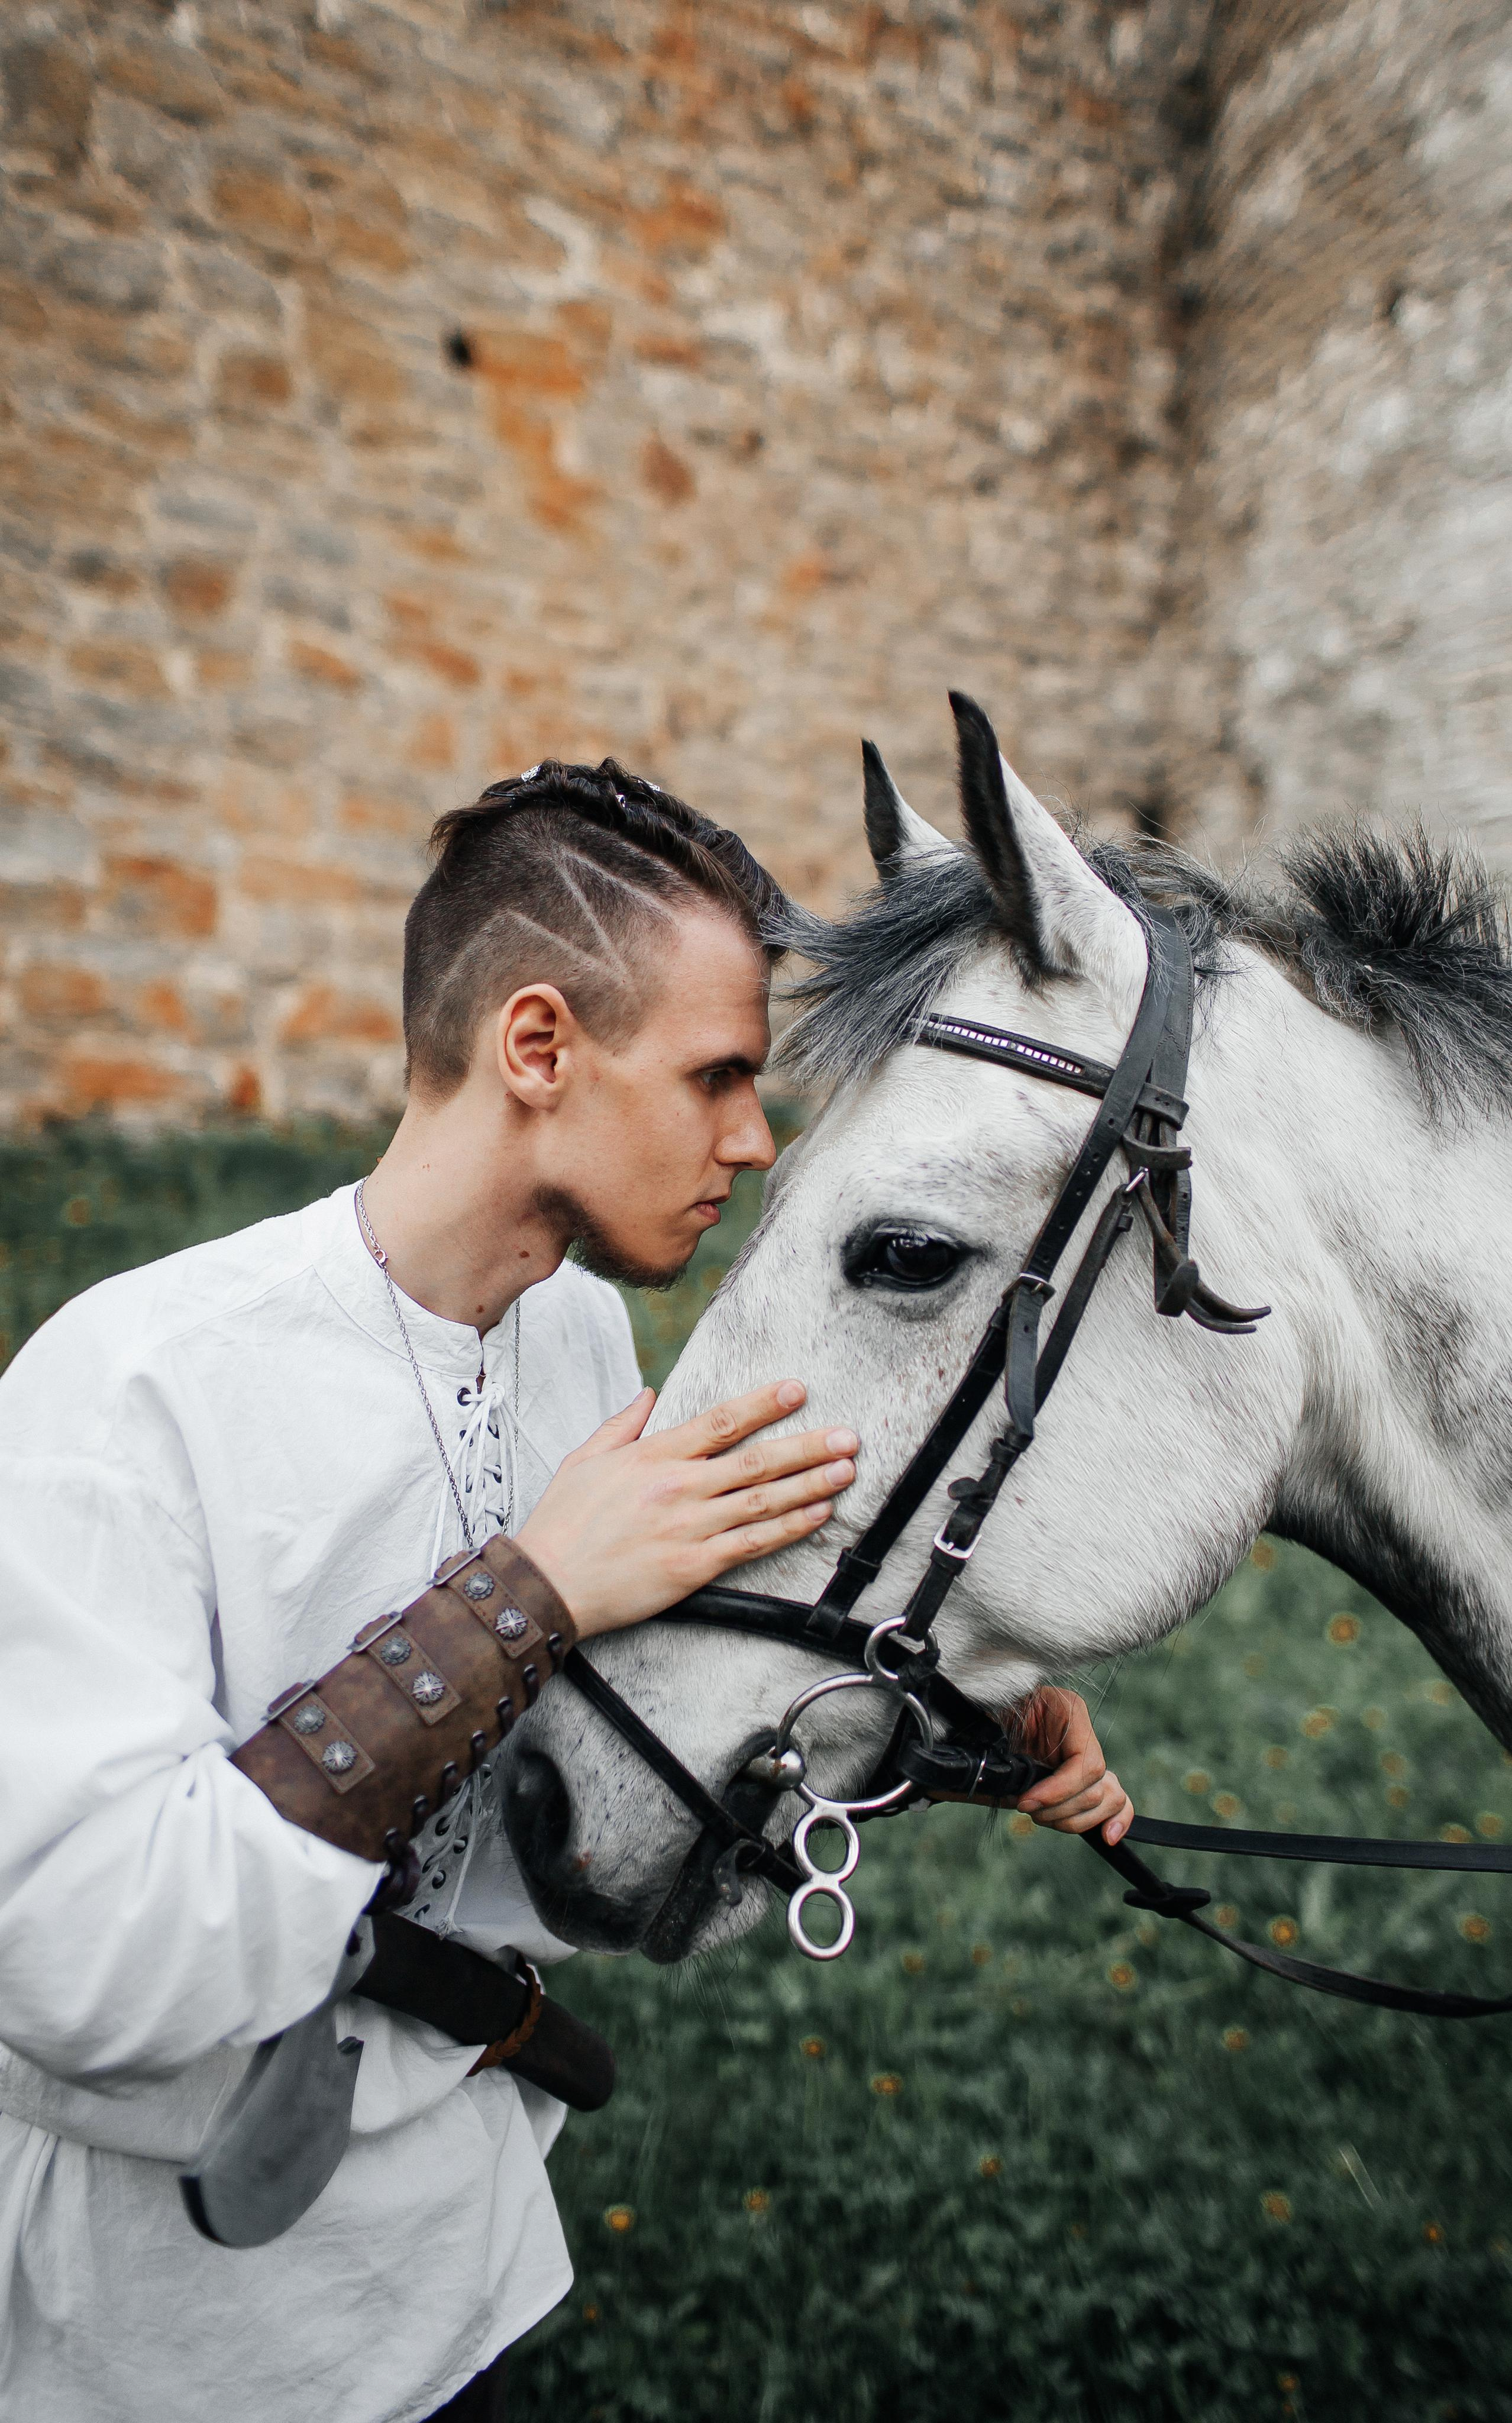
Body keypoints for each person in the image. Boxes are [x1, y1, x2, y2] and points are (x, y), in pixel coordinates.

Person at [0, 760, 1132, 2423]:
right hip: (166, 2338)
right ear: (537, 1049)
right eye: (718, 1077)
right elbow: (77, 1962)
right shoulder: (131, 1386)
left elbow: (631, 1766)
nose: (752, 1145)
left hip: (465, 2266)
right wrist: (526, 1592)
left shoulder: (579, 1346)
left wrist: (964, 1740)